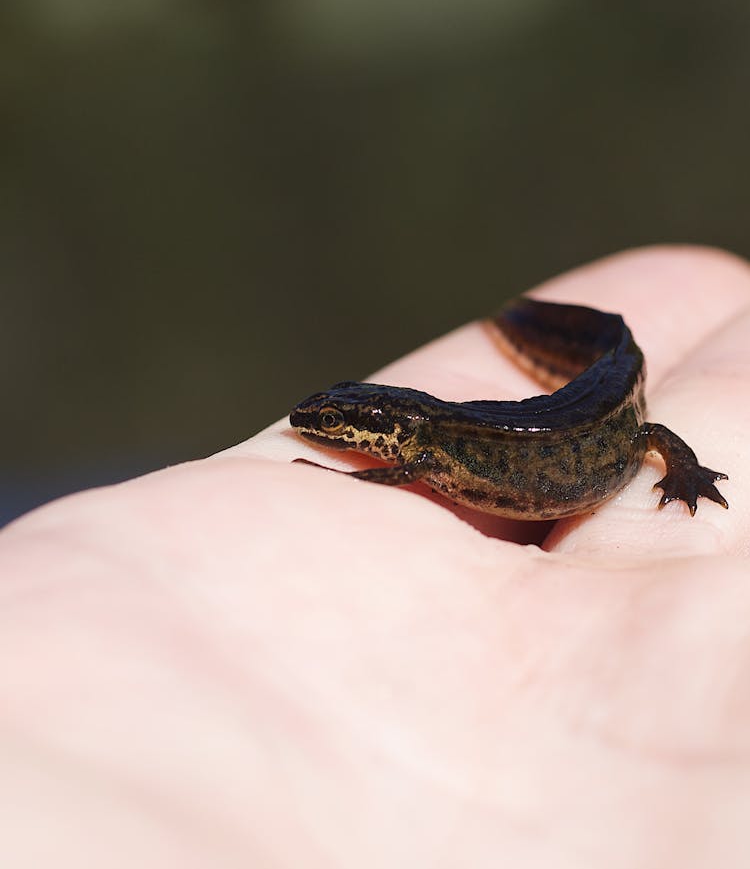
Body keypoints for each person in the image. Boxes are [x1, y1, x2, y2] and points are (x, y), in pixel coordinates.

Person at [3, 245, 750, 866]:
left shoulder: (422, 449)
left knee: (635, 418)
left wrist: (684, 472)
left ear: (381, 430)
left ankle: (552, 337)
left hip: (603, 427)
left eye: (340, 424)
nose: (322, 428)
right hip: (568, 424)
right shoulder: (421, 444)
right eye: (332, 421)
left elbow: (640, 433)